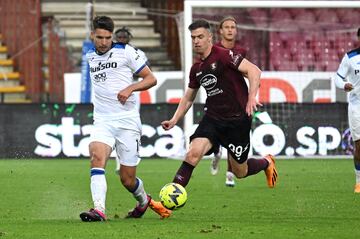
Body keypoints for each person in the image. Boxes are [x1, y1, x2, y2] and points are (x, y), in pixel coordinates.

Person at [161, 19, 278, 201]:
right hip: (213, 118)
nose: (196, 41)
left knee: (240, 171)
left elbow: (254, 71)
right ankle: (168, 201)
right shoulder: (196, 69)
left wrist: (251, 98)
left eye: (200, 37)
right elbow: (188, 97)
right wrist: (174, 119)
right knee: (193, 153)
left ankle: (266, 162)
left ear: (210, 37)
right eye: (193, 38)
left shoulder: (224, 55)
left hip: (237, 120)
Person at [79, 16, 171, 222]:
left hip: (127, 121)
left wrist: (130, 88)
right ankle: (99, 210)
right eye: (99, 37)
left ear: (112, 36)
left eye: (108, 37)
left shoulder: (127, 52)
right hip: (102, 120)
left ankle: (143, 201)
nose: (103, 42)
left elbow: (151, 78)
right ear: (92, 35)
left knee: (127, 180)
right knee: (96, 157)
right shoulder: (89, 56)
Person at [210, 16, 248, 187]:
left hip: (238, 101)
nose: (230, 30)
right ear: (220, 30)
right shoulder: (214, 50)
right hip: (217, 99)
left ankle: (229, 174)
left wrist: (254, 85)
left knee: (233, 141)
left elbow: (246, 72)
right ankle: (216, 150)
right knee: (215, 133)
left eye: (233, 27)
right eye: (226, 27)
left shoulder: (242, 50)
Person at [334, 27, 360, 193]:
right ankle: (359, 181)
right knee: (359, 146)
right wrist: (344, 85)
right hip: (357, 106)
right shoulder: (350, 57)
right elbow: (337, 77)